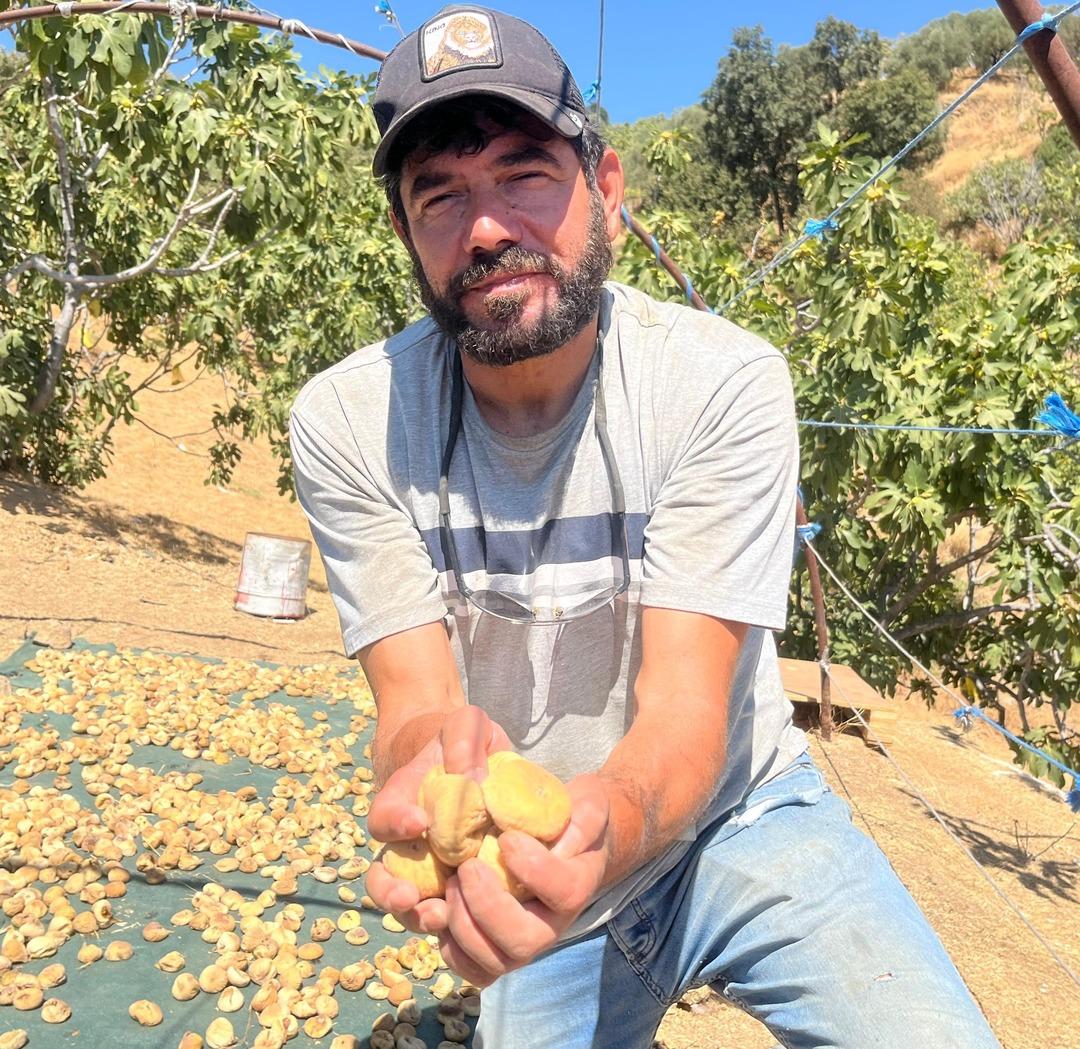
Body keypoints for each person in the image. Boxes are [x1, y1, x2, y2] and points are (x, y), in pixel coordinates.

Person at [289, 6, 1001, 1047]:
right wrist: (428, 762)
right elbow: (414, 702)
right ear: (406, 236)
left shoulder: (719, 384)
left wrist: (600, 827)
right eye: (440, 196)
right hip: (546, 859)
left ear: (607, 191)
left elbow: (682, 715)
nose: (486, 229)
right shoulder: (350, 420)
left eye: (526, 174)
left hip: (739, 814)